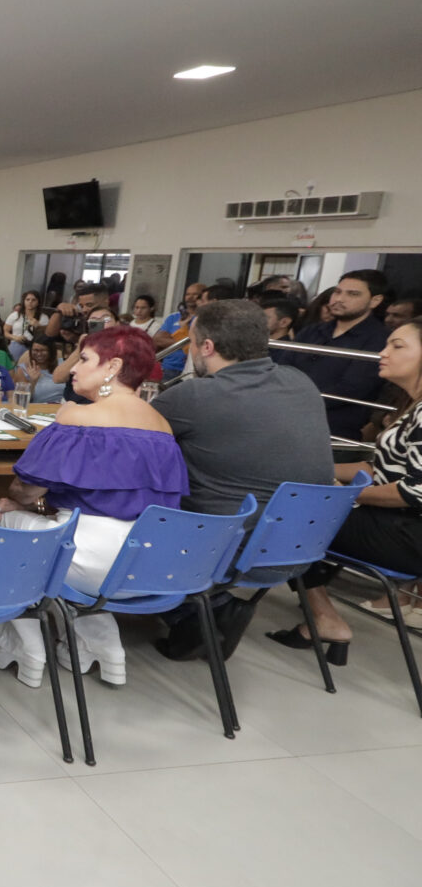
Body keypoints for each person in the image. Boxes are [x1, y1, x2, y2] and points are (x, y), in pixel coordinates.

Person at [0, 326, 189, 687]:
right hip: (149, 562)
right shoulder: (162, 426)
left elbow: (26, 489)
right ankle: (99, 643)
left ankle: (23, 640)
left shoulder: (77, 417)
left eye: (83, 358)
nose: (74, 368)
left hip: (92, 559)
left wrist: (19, 504)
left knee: (0, 515)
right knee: (57, 533)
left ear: (112, 366)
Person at [149, 300, 334, 659]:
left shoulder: (195, 395)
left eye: (191, 342)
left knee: (122, 506)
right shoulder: (301, 383)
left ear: (206, 347)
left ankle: (193, 611)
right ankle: (208, 607)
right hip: (300, 549)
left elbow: (125, 440)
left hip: (223, 552)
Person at [271, 316, 422, 648]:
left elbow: (413, 492)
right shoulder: (411, 407)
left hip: (407, 533)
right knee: (297, 502)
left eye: (397, 346)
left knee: (289, 518)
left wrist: (351, 496)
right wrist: (316, 468)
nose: (384, 352)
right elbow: (378, 466)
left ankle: (324, 616)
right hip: (393, 522)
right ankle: (321, 612)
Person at [285, 269, 390, 441]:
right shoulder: (312, 331)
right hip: (288, 419)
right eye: (337, 292)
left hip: (334, 431)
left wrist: (296, 401)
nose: (339, 299)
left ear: (375, 300)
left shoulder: (379, 340)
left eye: (353, 294)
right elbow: (283, 368)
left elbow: (352, 388)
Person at [154, 283, 205, 377]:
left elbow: (201, 343)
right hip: (168, 368)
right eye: (188, 294)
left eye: (194, 294)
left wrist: (171, 338)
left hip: (191, 371)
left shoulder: (203, 318)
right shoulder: (173, 317)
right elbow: (158, 340)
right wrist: (188, 341)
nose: (190, 297)